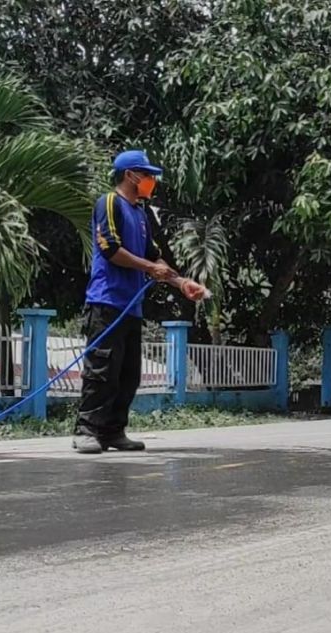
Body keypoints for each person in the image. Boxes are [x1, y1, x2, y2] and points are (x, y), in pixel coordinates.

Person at [73, 149, 208, 454]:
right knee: (101, 371)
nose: (151, 181)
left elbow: (152, 257)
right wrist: (150, 269)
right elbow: (110, 249)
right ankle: (86, 430)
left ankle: (112, 431)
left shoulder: (141, 213)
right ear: (130, 175)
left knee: (128, 374)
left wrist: (181, 282)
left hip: (131, 307)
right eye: (146, 175)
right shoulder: (109, 203)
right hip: (106, 302)